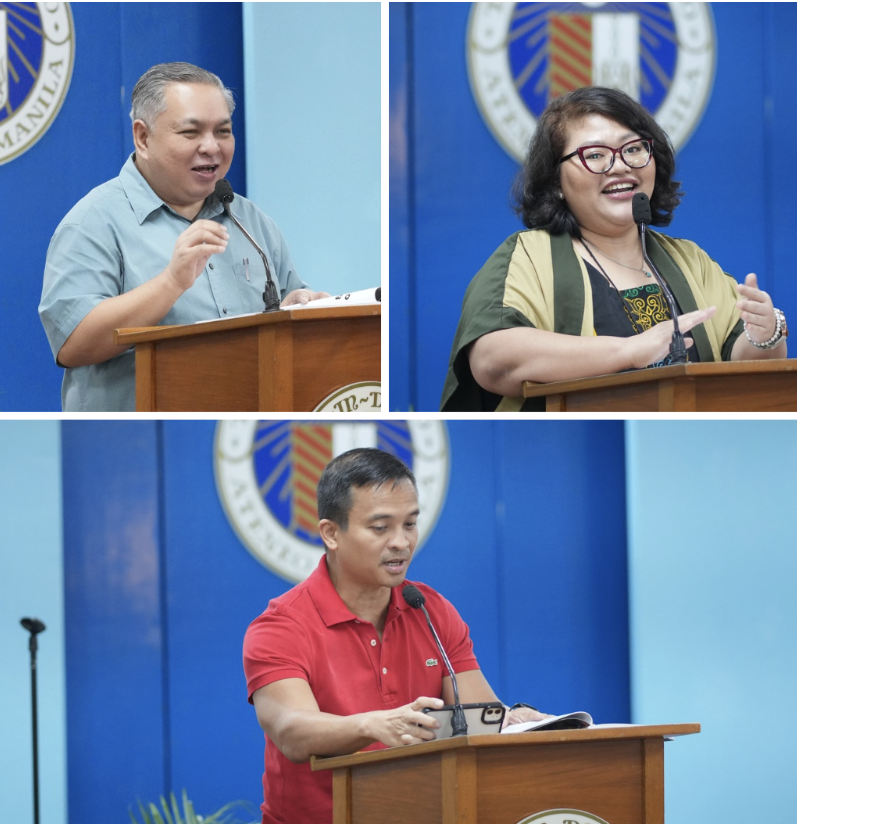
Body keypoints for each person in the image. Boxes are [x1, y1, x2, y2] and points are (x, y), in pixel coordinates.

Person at [242, 448, 548, 824]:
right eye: (380, 527)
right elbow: (292, 732)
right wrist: (375, 724)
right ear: (331, 533)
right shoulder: (281, 626)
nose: (401, 542)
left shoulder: (430, 609)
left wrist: (517, 721)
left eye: (410, 524)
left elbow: (481, 718)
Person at [441, 86, 790, 412]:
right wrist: (629, 351)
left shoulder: (689, 260)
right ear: (556, 182)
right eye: (595, 155)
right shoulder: (527, 257)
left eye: (633, 149)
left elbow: (741, 369)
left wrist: (765, 337)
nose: (620, 165)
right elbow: (493, 360)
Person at [39, 62, 329, 411]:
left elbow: (282, 310)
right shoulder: (92, 223)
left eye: (223, 131)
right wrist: (171, 282)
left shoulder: (250, 221)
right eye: (191, 133)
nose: (212, 147)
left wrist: (296, 307)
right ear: (143, 137)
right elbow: (73, 343)